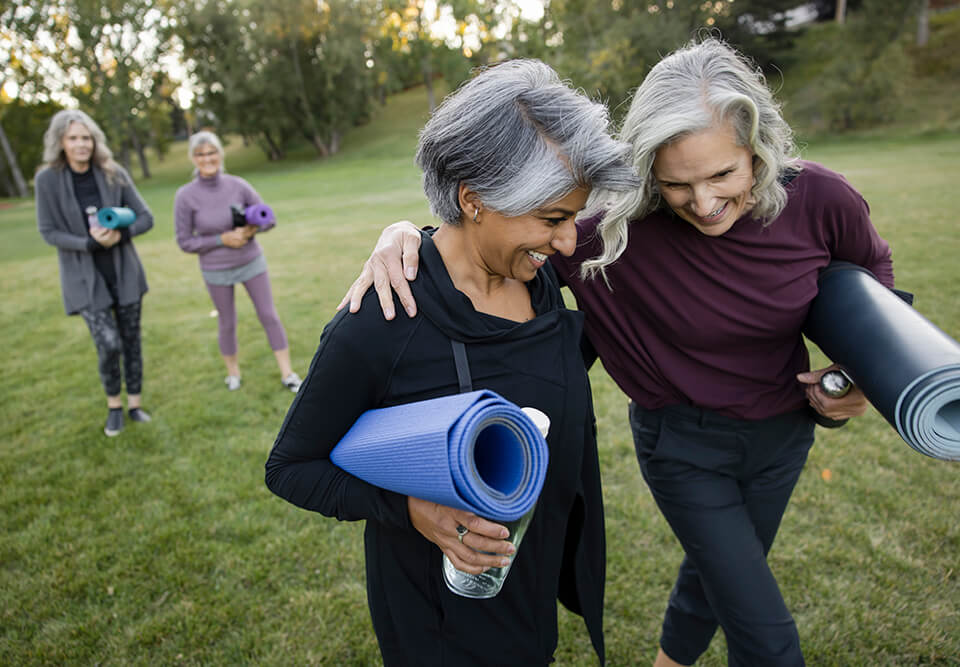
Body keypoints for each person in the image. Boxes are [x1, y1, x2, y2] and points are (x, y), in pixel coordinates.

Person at [339, 38, 895, 667]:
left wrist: (859, 375)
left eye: (723, 174)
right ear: (647, 172)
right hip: (684, 448)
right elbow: (486, 230)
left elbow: (874, 275)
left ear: (757, 148)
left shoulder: (820, 199)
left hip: (785, 437)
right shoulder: (606, 235)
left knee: (723, 575)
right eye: (677, 184)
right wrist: (406, 234)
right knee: (767, 635)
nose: (706, 203)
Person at [265, 59, 637, 665]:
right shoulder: (383, 318)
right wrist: (411, 509)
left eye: (573, 216)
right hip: (436, 625)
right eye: (552, 220)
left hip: (529, 595)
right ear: (474, 199)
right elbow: (290, 467)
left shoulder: (547, 282)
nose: (571, 241)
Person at [35, 109, 155, 438]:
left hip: (124, 273)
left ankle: (134, 405)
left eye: (86, 138)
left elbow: (146, 217)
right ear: (60, 142)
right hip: (84, 279)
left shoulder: (113, 172)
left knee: (131, 342)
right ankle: (114, 406)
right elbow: (48, 231)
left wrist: (121, 235)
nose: (81, 144)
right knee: (108, 343)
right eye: (73, 138)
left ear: (94, 141)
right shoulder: (47, 180)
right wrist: (87, 243)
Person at [173, 131, 302, 393]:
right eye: (200, 154)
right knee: (227, 321)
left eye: (212, 153)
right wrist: (222, 239)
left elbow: (269, 219)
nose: (207, 158)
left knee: (268, 315)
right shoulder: (185, 196)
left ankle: (288, 373)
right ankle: (233, 375)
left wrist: (252, 230)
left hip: (250, 261)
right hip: (215, 270)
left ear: (220, 154)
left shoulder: (238, 185)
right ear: (193, 159)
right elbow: (185, 241)